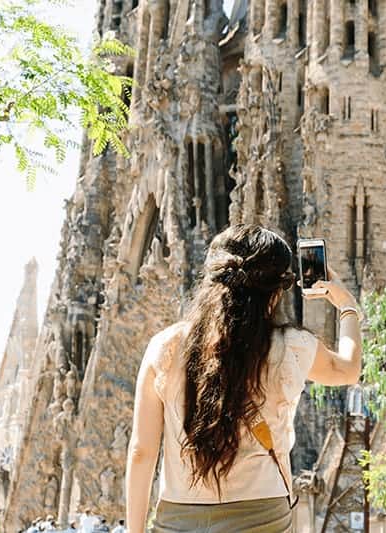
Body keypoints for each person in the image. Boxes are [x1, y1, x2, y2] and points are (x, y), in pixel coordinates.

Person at [126, 224, 362, 533]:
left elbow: (142, 452)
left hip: (180, 518)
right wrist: (347, 306)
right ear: (278, 290)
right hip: (264, 517)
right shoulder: (292, 345)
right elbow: (348, 368)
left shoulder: (165, 347)